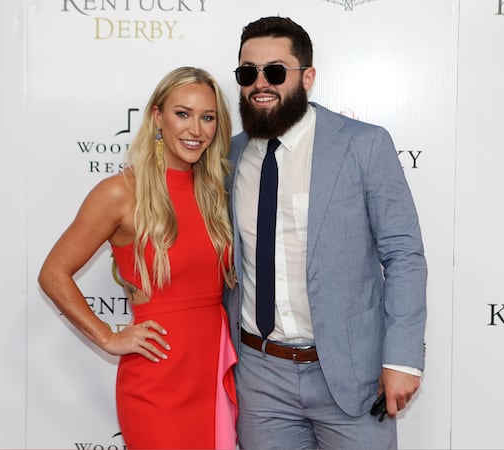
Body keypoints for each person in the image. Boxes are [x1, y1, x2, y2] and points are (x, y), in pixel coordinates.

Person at [224, 16, 428, 449]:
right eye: (248, 73)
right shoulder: (228, 156)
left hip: (353, 374)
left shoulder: (363, 144)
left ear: (308, 77)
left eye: (276, 71)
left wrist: (403, 359)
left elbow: (403, 254)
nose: (261, 83)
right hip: (260, 377)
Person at [38, 66, 238, 449]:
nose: (196, 129)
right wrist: (108, 336)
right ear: (156, 117)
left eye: (207, 117)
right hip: (157, 379)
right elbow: (53, 273)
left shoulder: (215, 192)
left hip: (213, 370)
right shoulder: (120, 193)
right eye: (183, 114)